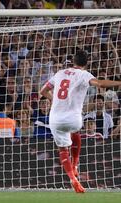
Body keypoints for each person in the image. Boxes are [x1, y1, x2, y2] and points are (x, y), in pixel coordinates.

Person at [40, 50, 121, 193]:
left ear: (73, 62)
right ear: (86, 63)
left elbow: (43, 91)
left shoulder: (60, 73)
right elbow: (100, 84)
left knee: (63, 150)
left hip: (55, 118)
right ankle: (76, 164)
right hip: (74, 119)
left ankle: (73, 179)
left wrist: (53, 100)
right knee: (75, 132)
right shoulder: (84, 74)